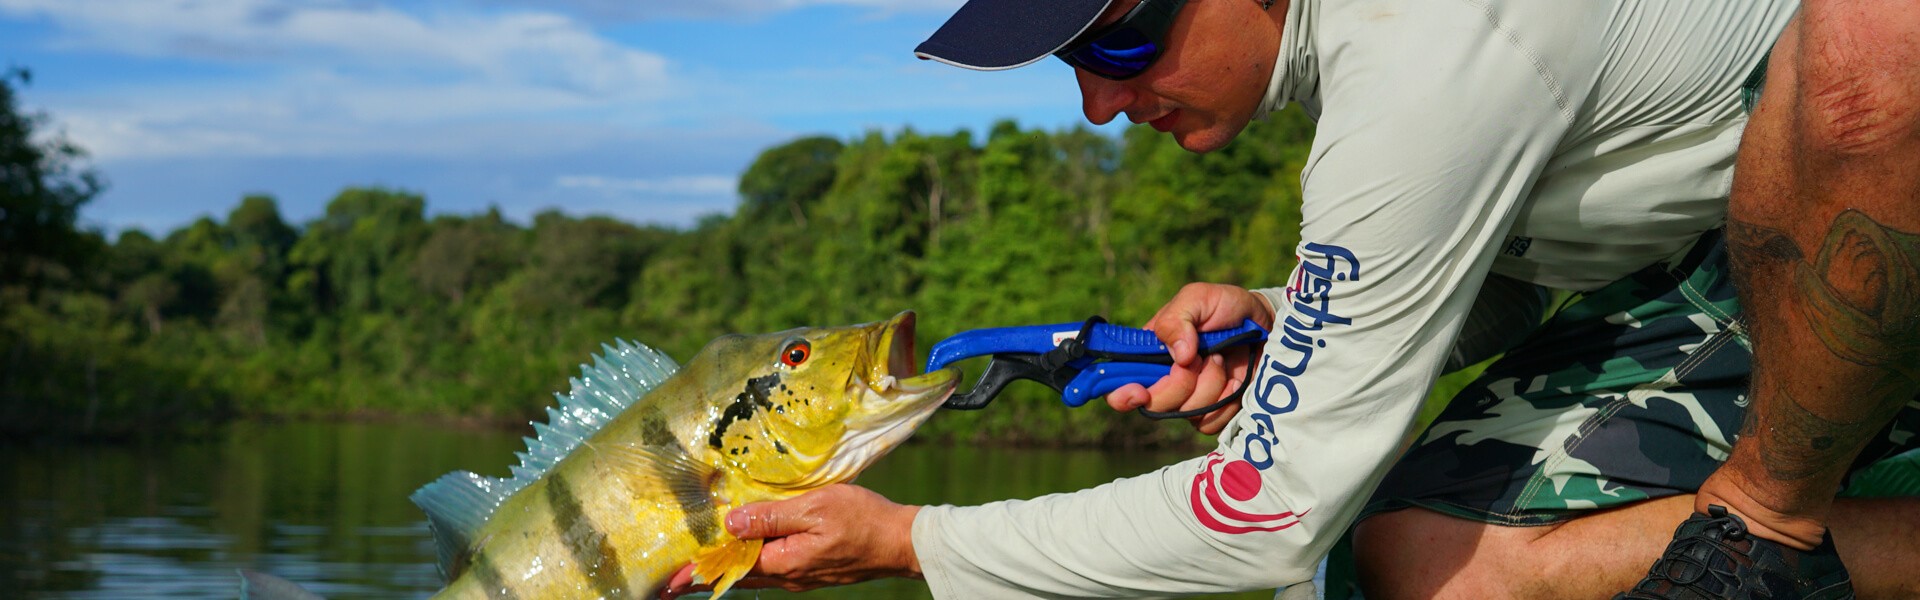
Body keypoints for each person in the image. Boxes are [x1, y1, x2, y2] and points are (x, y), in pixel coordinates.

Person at [661, 0, 1920, 597]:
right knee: (1391, 552)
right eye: (1072, 64)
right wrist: (1292, 315)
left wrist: (912, 541)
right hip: (1716, 237)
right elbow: (1524, 276)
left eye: (1118, 45)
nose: (1101, 102)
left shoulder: (1415, 62)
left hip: (1852, 200)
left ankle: (1779, 532)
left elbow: (1261, 521)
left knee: (1419, 570)